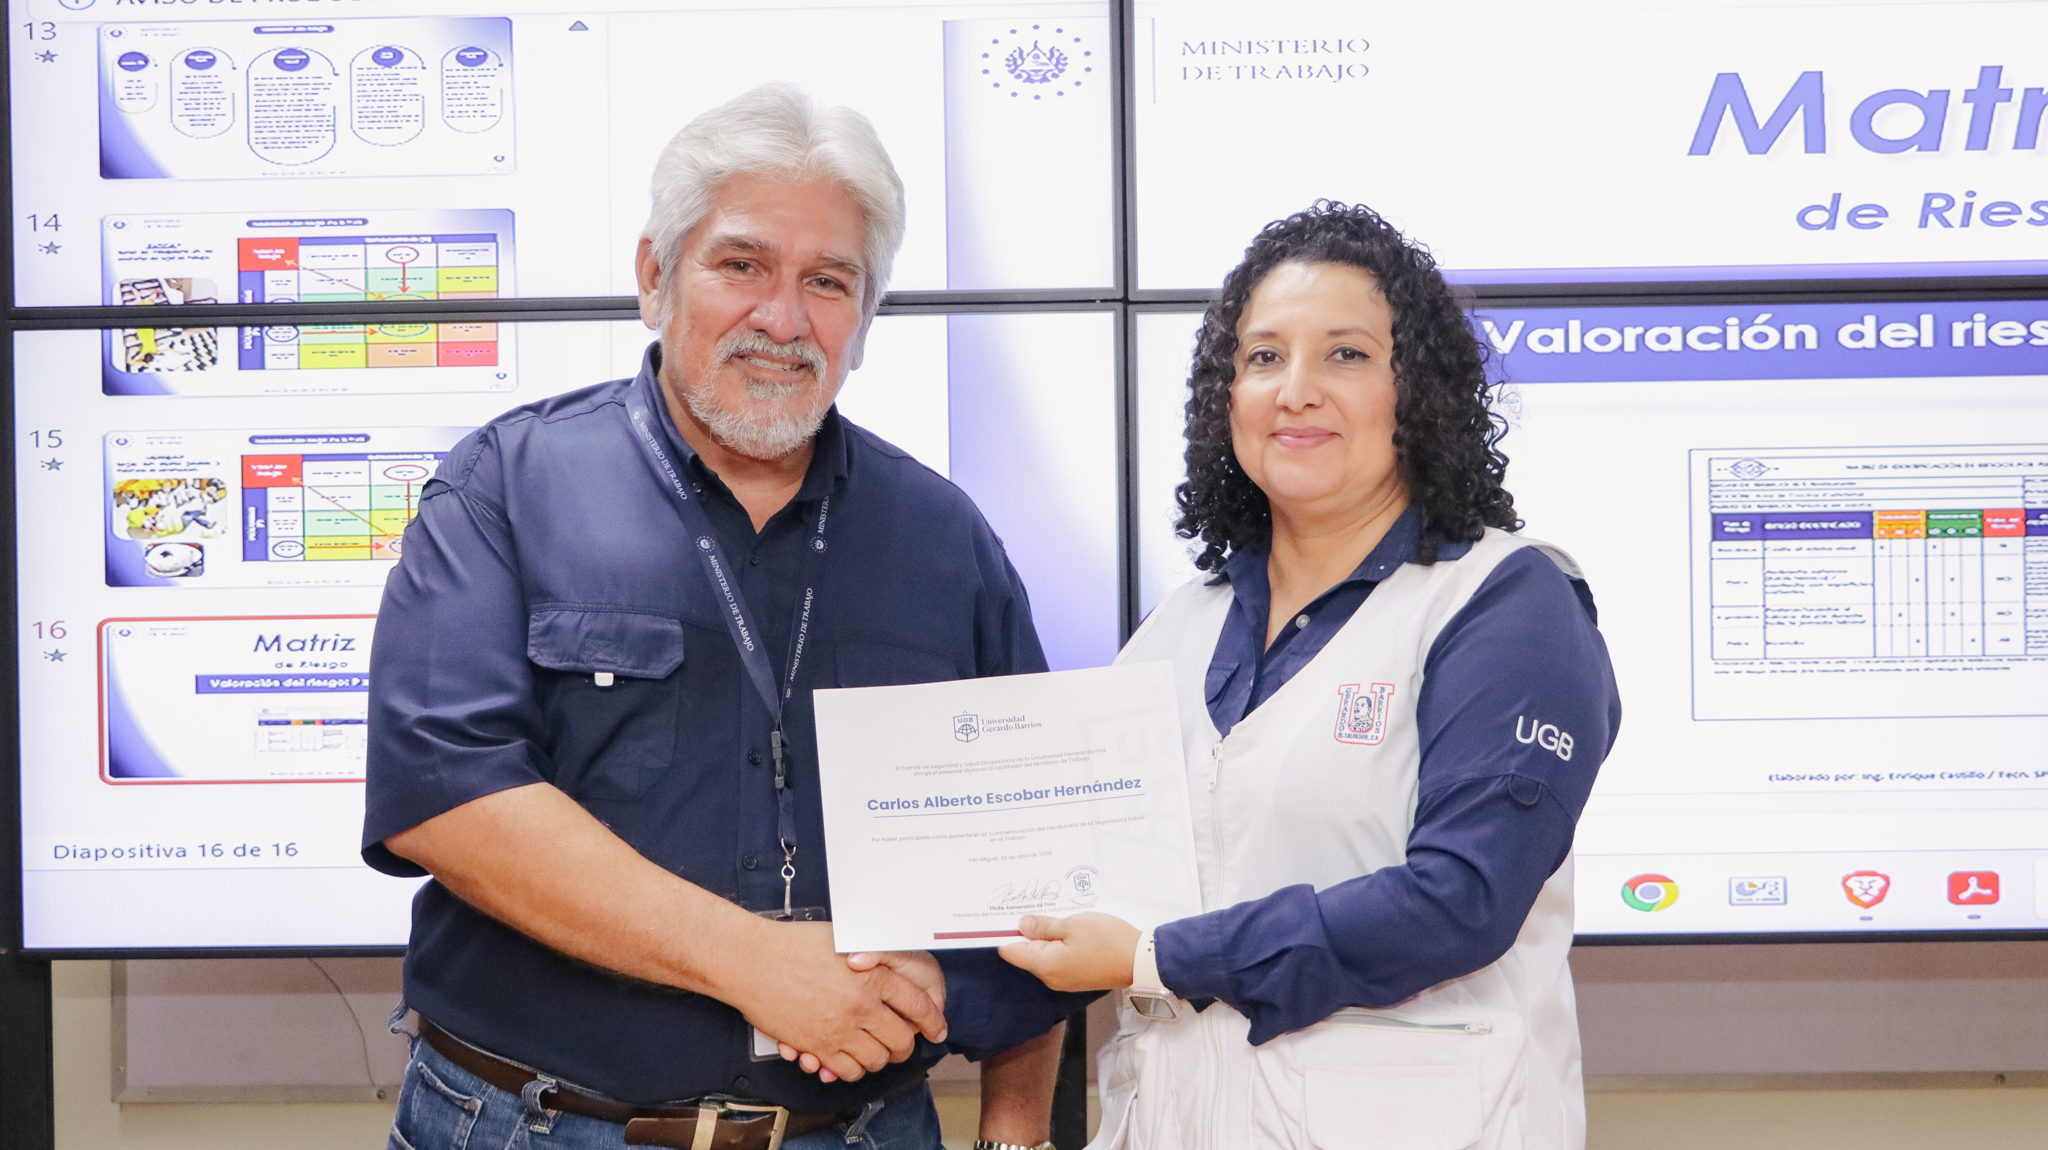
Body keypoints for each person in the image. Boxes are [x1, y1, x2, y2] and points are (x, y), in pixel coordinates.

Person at [363, 83, 1087, 1150]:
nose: (783, 319)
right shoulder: (505, 488)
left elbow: (1037, 866)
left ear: (864, 319)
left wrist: (1014, 1132)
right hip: (535, 1124)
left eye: (827, 281)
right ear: (655, 277)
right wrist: (758, 965)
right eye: (742, 264)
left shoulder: (945, 540)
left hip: (861, 1128)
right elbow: (446, 794)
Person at [999, 201, 1622, 1150]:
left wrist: (1160, 956)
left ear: (1418, 391)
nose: (1295, 391)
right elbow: (1073, 865)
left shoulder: (1506, 603)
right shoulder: (1182, 625)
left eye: (1346, 355)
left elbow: (1460, 901)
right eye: (1263, 357)